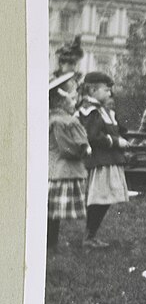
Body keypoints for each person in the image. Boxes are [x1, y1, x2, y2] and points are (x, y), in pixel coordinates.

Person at [76, 71, 129, 249]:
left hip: (108, 161)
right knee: (99, 199)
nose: (109, 94)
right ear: (92, 90)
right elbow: (93, 136)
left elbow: (117, 128)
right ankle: (89, 236)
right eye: (106, 90)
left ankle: (91, 235)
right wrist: (116, 141)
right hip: (100, 162)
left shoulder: (103, 110)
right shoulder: (89, 110)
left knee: (105, 199)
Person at [47, 72, 88, 252]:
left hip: (55, 170)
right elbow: (66, 148)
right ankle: (50, 244)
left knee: (52, 213)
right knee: (51, 213)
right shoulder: (62, 121)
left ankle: (51, 243)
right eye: (71, 100)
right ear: (61, 102)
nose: (75, 103)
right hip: (60, 172)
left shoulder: (54, 119)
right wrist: (83, 150)